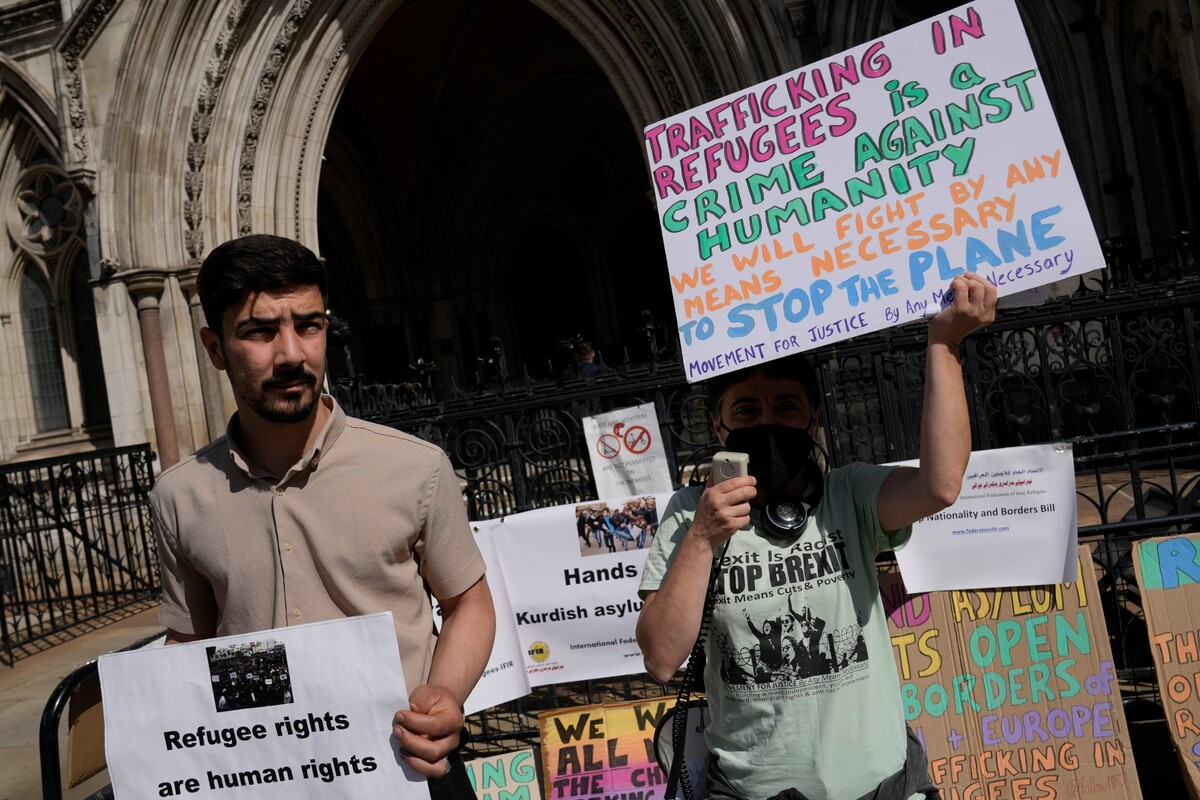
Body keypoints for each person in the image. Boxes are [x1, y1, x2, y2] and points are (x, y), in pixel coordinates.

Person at [151, 234, 496, 798]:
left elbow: (469, 604)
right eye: (260, 331)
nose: (292, 354)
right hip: (264, 777)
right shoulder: (180, 496)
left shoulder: (414, 468)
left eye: (309, 325)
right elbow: (190, 643)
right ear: (214, 349)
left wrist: (447, 694)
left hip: (406, 769)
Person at [636, 272, 997, 800]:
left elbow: (939, 487)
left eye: (786, 406)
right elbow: (662, 659)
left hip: (883, 787)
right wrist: (701, 539)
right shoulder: (691, 513)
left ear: (811, 419)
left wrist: (944, 342)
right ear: (719, 428)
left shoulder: (849, 494)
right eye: (746, 410)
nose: (767, 421)